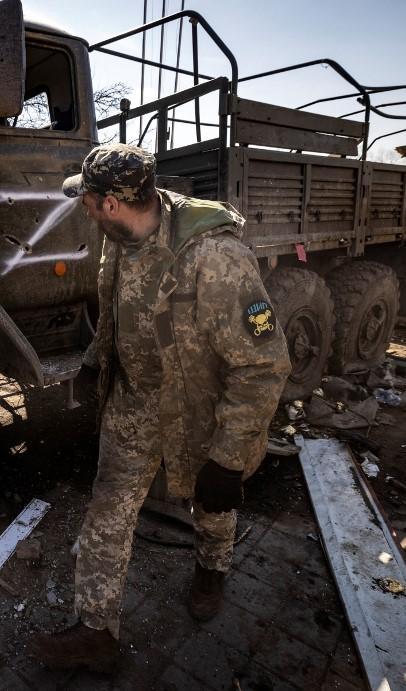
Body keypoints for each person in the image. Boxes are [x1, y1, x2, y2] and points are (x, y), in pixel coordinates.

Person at [31, 143, 290, 673]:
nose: (82, 207)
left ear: (108, 203)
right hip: (135, 398)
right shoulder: (122, 238)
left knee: (211, 504)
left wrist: (230, 457)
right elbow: (118, 312)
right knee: (109, 505)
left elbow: (263, 364)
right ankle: (96, 630)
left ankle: (211, 569)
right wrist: (93, 359)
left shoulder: (214, 257)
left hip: (197, 405)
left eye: (87, 199)